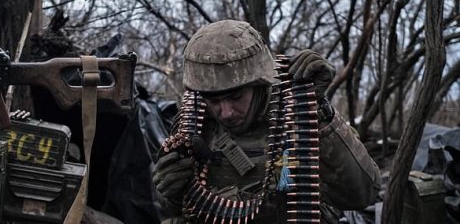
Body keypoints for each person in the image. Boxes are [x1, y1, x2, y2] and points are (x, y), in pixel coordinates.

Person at [153, 20, 381, 223]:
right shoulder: (194, 121)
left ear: (260, 84)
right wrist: (170, 191)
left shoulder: (296, 113)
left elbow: (362, 195)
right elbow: (178, 205)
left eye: (235, 97)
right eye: (214, 100)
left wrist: (318, 110)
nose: (226, 112)